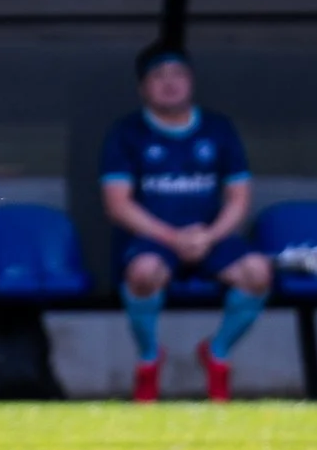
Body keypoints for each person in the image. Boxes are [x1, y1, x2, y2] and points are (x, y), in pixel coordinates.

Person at [98, 44, 272, 402]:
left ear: (191, 81)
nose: (170, 84)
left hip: (210, 237)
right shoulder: (126, 132)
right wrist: (173, 237)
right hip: (156, 238)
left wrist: (209, 236)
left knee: (257, 272)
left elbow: (239, 198)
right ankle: (149, 359)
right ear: (143, 88)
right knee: (144, 273)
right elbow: (118, 205)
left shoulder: (218, 129)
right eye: (158, 77)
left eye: (177, 75)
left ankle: (217, 353)